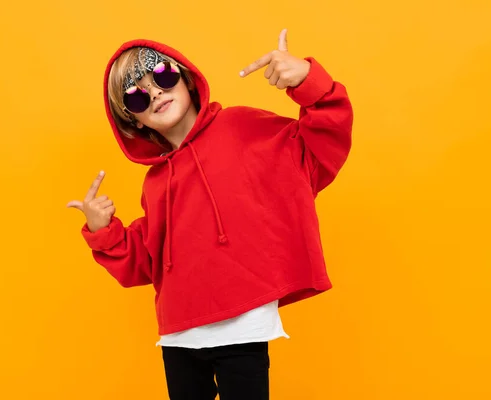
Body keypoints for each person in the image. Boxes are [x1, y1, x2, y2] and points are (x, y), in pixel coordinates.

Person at [67, 29, 353, 400]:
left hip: (243, 326)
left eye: (163, 77)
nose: (154, 92)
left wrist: (310, 84)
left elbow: (315, 150)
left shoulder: (242, 128)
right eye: (136, 96)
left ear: (185, 79)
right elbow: (145, 259)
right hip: (178, 335)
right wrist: (102, 230)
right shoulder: (155, 183)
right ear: (134, 120)